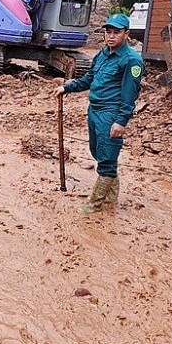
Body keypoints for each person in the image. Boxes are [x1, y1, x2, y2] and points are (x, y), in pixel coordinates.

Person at [54, 13, 144, 214]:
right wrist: (67, 87)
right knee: (97, 152)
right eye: (108, 32)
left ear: (126, 34)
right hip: (94, 110)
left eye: (116, 32)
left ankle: (95, 203)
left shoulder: (132, 61)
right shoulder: (103, 54)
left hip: (110, 113)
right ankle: (111, 195)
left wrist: (121, 122)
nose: (111, 36)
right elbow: (89, 79)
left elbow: (130, 95)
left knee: (106, 158)